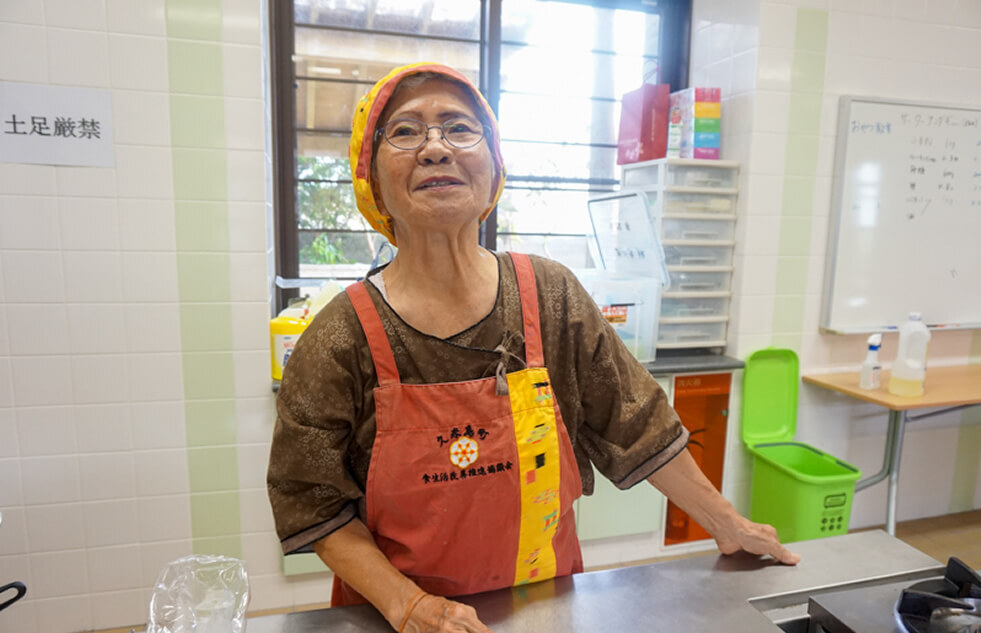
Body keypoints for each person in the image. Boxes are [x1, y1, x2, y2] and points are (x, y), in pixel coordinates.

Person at [267, 62, 799, 633]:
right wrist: (410, 606)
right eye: (404, 132)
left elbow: (639, 424)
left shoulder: (549, 296)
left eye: (459, 127)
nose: (436, 148)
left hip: (542, 603)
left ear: (494, 166)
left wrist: (726, 522)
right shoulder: (341, 335)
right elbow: (312, 500)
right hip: (394, 616)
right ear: (369, 176)